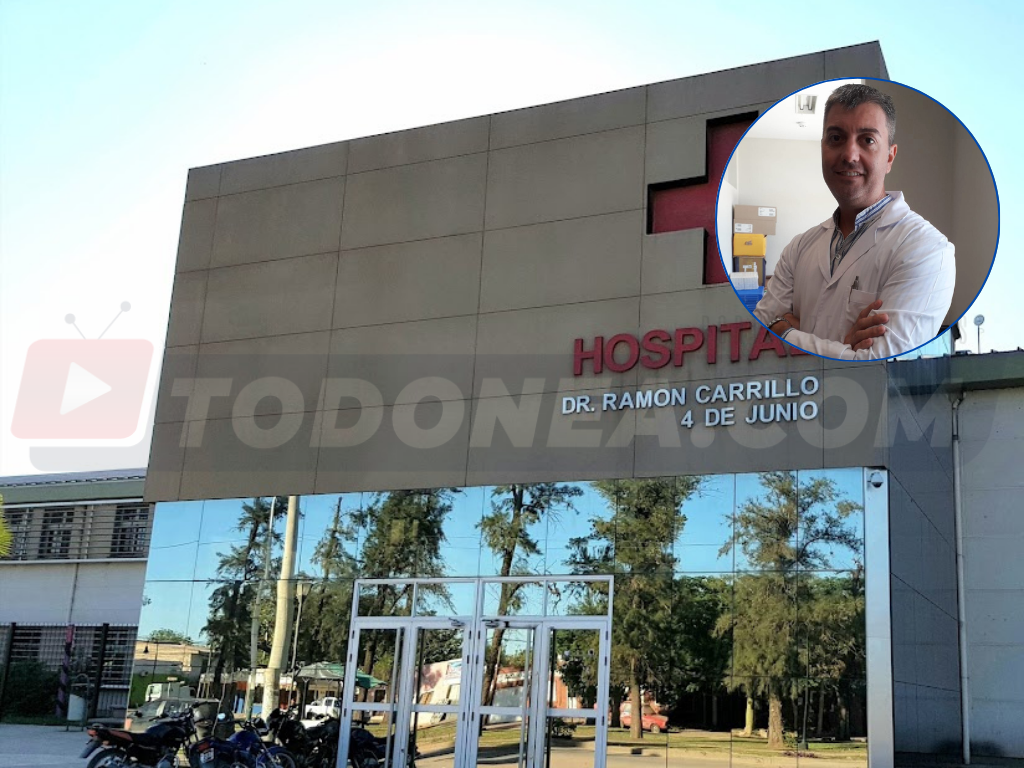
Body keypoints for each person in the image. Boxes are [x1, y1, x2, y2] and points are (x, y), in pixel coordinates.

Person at [753, 83, 955, 359]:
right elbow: (758, 336)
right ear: (822, 148)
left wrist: (785, 330)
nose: (849, 155)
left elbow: (883, 363)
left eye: (867, 140)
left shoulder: (927, 249)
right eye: (836, 138)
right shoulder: (798, 249)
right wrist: (844, 348)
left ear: (890, 157)